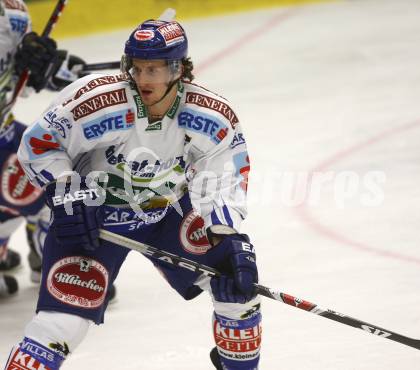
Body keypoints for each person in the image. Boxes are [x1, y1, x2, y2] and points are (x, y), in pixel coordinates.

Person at [7, 18, 261, 370]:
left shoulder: (211, 115)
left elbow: (222, 177)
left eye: (154, 70)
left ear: (180, 71)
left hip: (165, 211)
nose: (143, 79)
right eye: (137, 68)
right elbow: (38, 145)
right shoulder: (96, 101)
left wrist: (226, 235)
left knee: (237, 292)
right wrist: (66, 191)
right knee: (61, 326)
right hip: (91, 219)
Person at [0, 0, 100, 297]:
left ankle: (52, 258)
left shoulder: (13, 13)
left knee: (52, 177)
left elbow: (23, 80)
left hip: (4, 139)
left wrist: (46, 65)